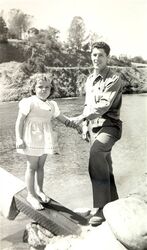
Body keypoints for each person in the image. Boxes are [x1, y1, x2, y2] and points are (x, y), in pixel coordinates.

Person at [72, 41, 123, 226]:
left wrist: (79, 118)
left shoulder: (114, 79)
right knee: (104, 165)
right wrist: (85, 124)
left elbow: (103, 105)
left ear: (107, 57)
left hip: (110, 126)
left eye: (101, 55)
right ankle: (115, 203)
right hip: (93, 127)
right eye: (94, 54)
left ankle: (101, 208)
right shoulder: (89, 79)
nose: (96, 58)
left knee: (96, 154)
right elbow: (88, 104)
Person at [15, 73, 80, 210]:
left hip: (45, 137)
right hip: (30, 137)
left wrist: (77, 126)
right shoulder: (29, 102)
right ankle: (31, 195)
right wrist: (19, 138)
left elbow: (64, 119)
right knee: (31, 167)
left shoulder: (52, 104)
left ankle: (40, 191)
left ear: (51, 89)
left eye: (47, 87)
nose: (44, 90)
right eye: (40, 87)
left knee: (40, 166)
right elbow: (19, 121)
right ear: (34, 88)